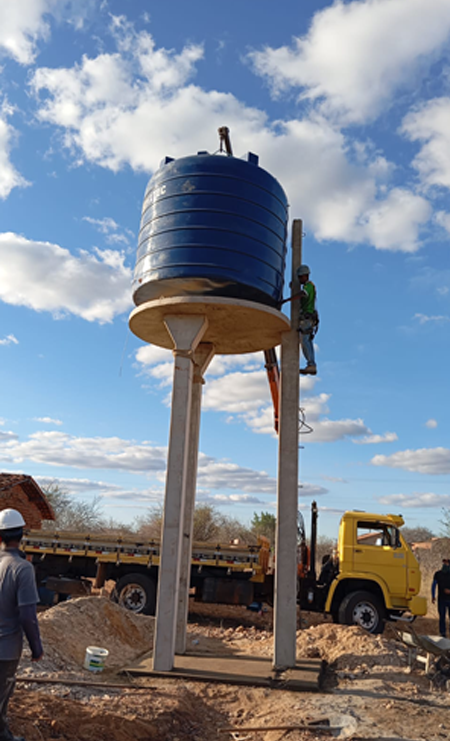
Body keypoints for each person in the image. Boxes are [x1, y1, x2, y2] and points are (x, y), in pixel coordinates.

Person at [0, 509, 43, 741]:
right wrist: (36, 648)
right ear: (22, 535)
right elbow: (28, 616)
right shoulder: (22, 568)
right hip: (5, 650)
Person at [297, 264, 319, 375]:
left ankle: (311, 364)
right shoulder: (309, 286)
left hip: (307, 318)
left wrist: (288, 299)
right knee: (307, 341)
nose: (299, 279)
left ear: (305, 276)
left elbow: (303, 294)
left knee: (305, 341)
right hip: (309, 318)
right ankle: (311, 364)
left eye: (300, 277)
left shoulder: (308, 286)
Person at [431, 558, 450, 638]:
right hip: (441, 599)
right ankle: (442, 634)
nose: (445, 564)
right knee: (442, 616)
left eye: (447, 563)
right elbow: (433, 585)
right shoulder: (438, 574)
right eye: (444, 563)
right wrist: (433, 596)